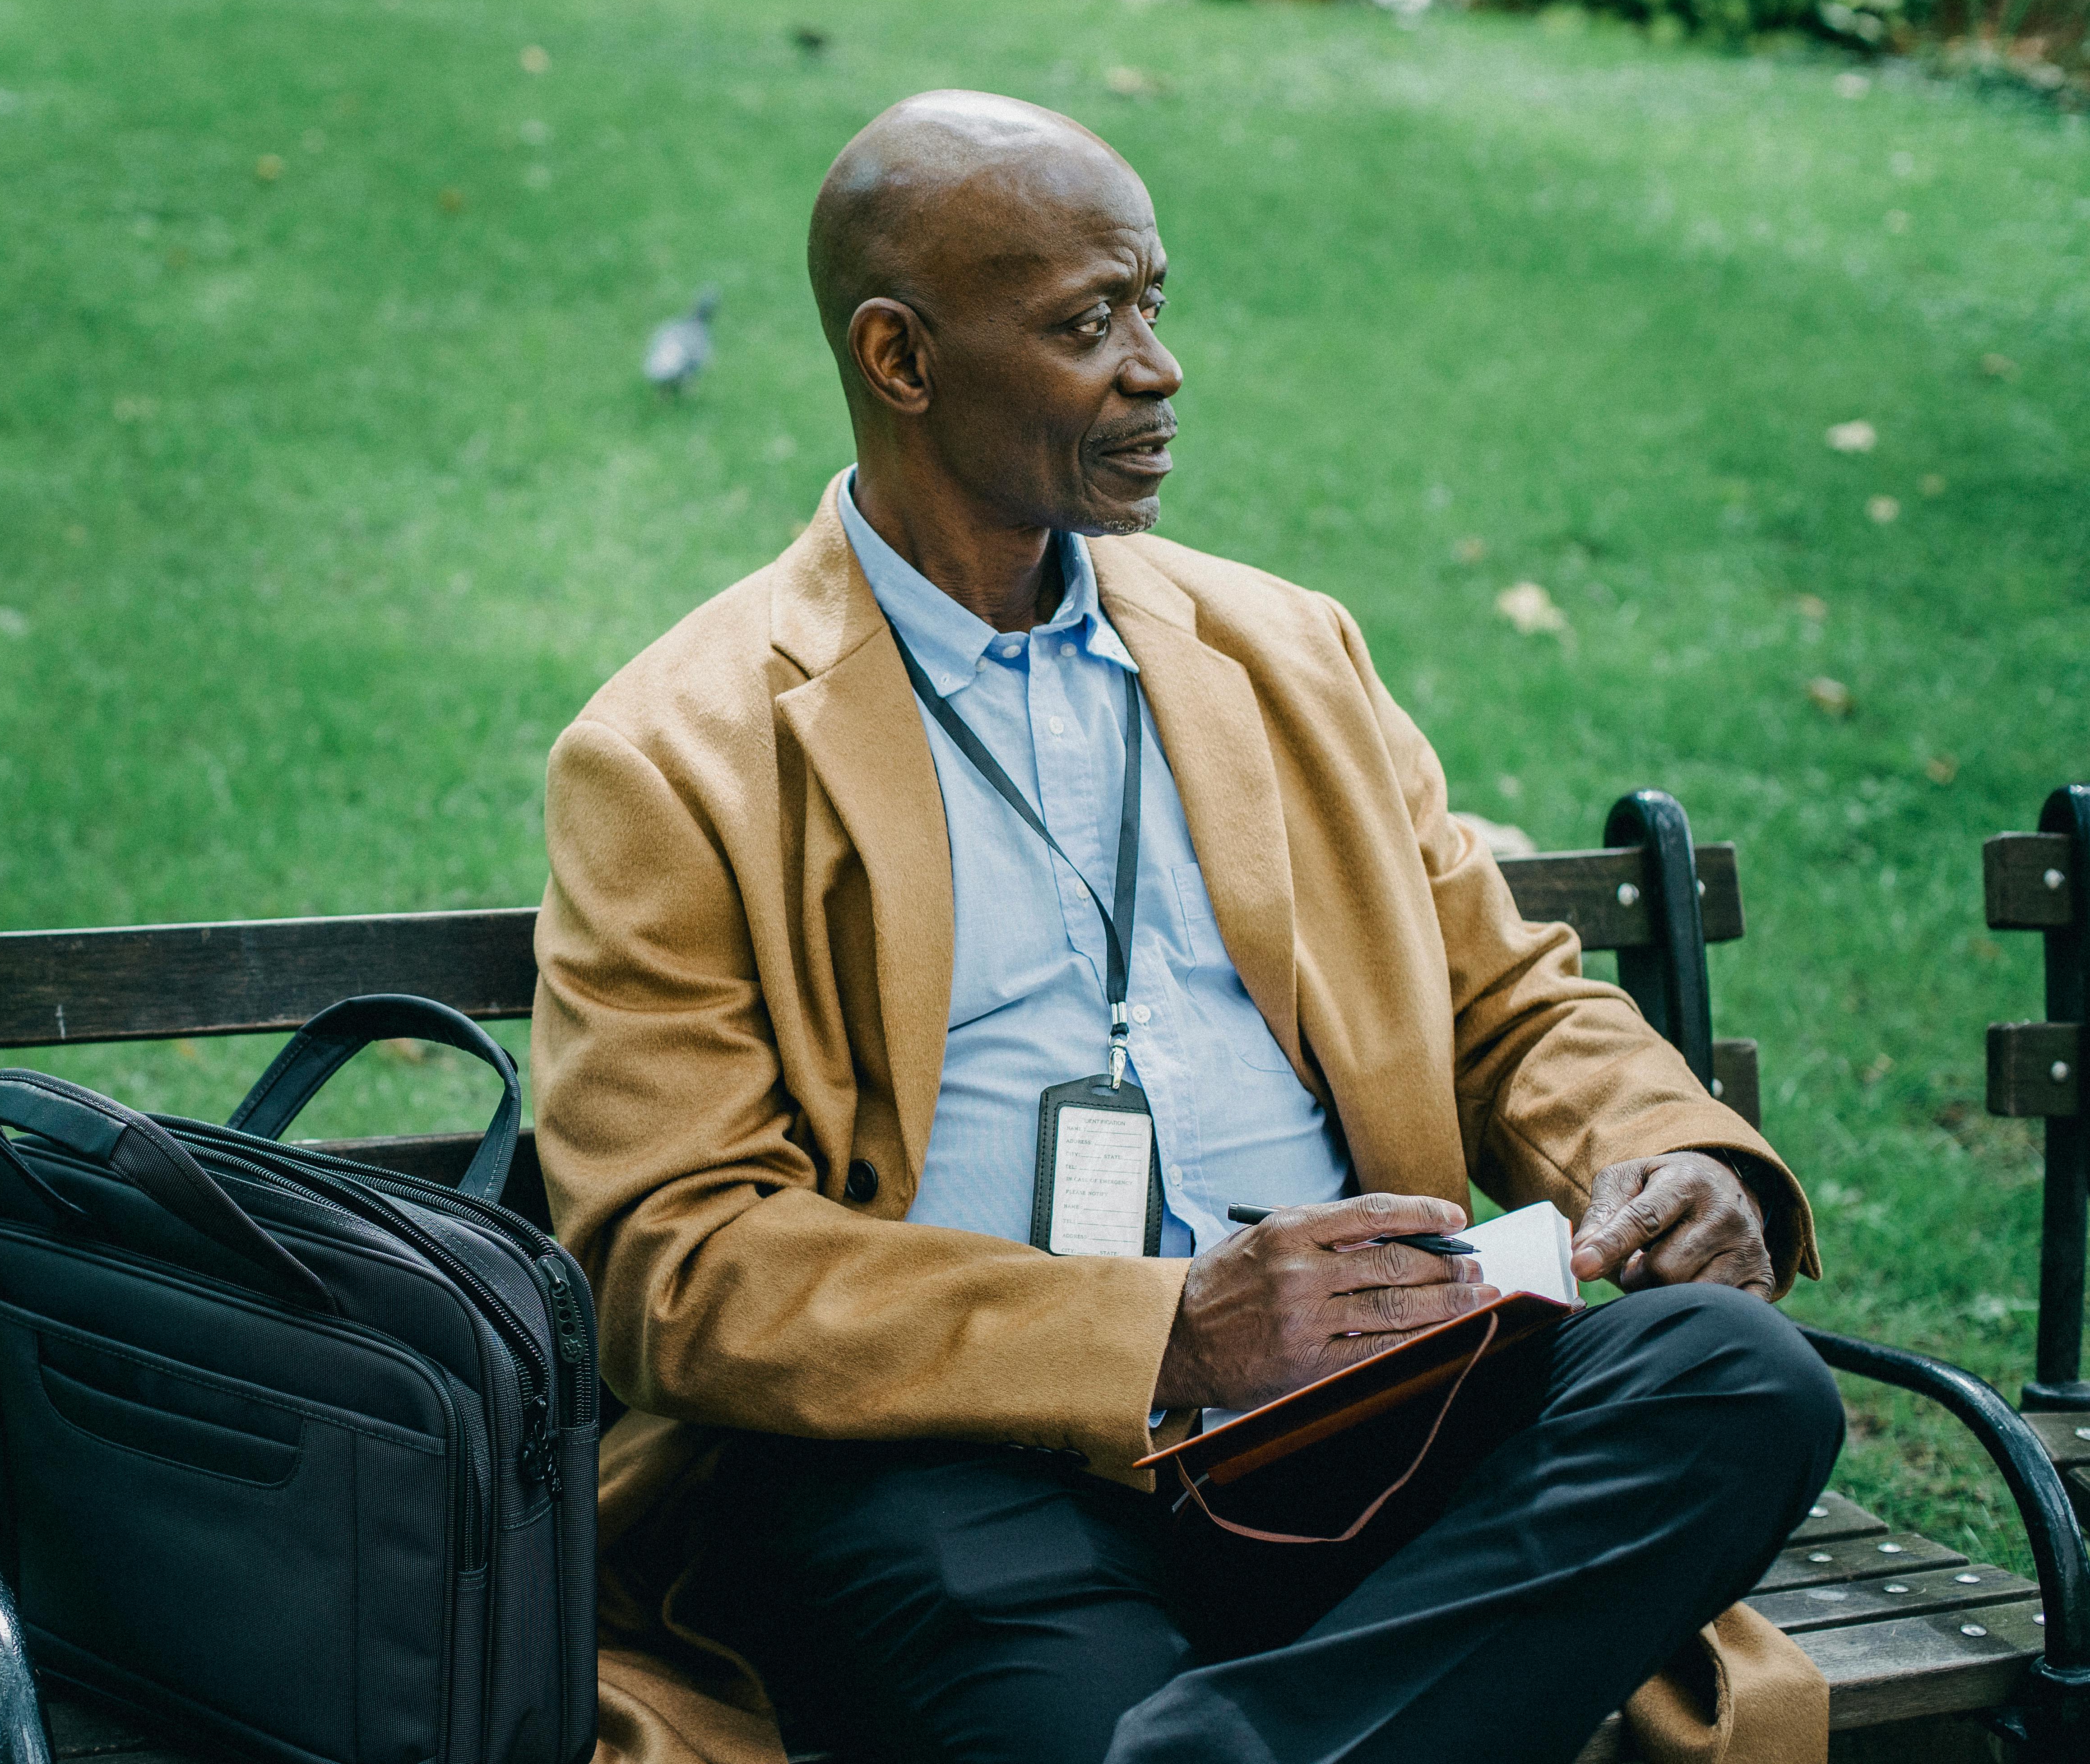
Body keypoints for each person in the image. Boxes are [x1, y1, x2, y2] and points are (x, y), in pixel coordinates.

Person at [531, 90, 1843, 1764]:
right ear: (900, 358)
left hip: (1376, 1403)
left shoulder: (1286, 650)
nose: (1157, 367)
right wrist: (1164, 1330)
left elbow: (1504, 1006)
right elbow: (672, 1260)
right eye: (1089, 324)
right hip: (963, 1467)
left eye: (1154, 303)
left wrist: (1672, 1155)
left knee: (1740, 1384)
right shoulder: (677, 752)